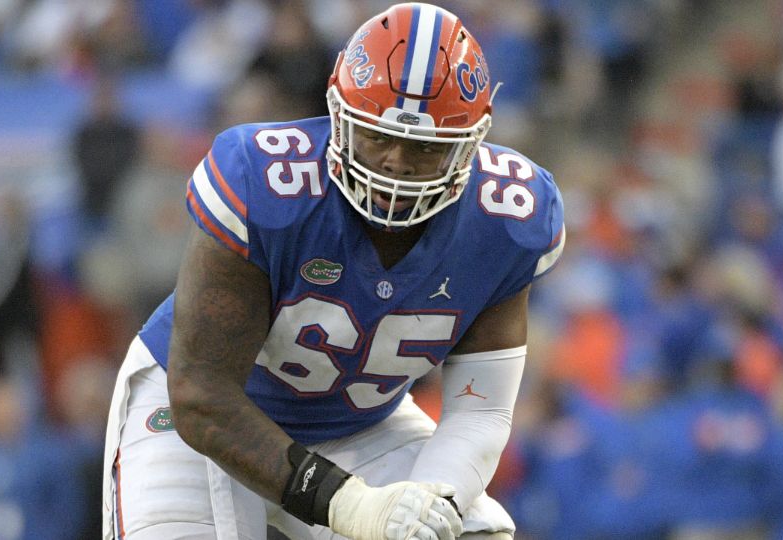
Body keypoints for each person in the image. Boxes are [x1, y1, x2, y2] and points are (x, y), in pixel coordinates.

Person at [103, 3, 565, 539]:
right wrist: (352, 505)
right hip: (207, 421)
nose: (395, 162)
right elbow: (202, 394)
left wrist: (426, 506)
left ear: (469, 144)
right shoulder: (263, 181)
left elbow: (480, 412)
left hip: (359, 424)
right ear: (338, 115)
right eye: (377, 136)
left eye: (423, 146)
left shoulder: (507, 217)